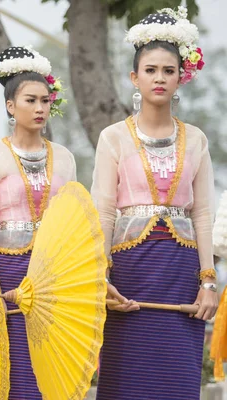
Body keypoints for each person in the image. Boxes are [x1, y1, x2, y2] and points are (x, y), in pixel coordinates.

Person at [93, 7, 218, 399]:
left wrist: (208, 280)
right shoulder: (113, 137)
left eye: (167, 70)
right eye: (150, 70)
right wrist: (101, 277)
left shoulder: (196, 139)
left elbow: (202, 212)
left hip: (181, 272)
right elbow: (103, 210)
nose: (159, 78)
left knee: (177, 384)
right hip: (126, 271)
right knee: (124, 382)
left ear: (181, 76)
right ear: (135, 77)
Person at [0, 46, 75, 398]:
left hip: (50, 275)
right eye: (31, 100)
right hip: (7, 272)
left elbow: (72, 222)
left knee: (50, 365)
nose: (40, 108)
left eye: (45, 101)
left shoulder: (64, 157)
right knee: (12, 370)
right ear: (10, 106)